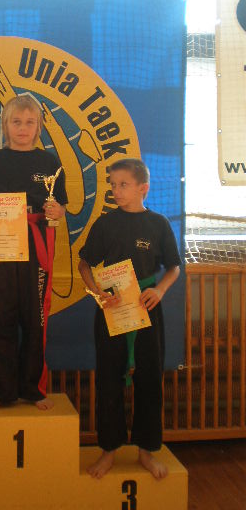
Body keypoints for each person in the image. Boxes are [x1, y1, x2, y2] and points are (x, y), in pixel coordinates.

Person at [78, 158, 180, 480]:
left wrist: (160, 290)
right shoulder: (105, 224)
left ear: (143, 188)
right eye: (113, 184)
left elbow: (174, 267)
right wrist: (98, 294)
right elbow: (84, 265)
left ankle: (146, 451)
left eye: (123, 184)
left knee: (149, 379)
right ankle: (108, 450)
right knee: (108, 379)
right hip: (113, 307)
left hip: (147, 306)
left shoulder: (159, 224)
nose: (116, 190)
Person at [0, 96, 67, 415]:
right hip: (0, 244)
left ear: (38, 126)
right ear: (5, 125)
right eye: (16, 122)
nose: (23, 128)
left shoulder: (50, 164)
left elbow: (60, 208)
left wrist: (57, 211)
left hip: (37, 243)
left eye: (29, 122)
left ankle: (32, 387)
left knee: (35, 318)